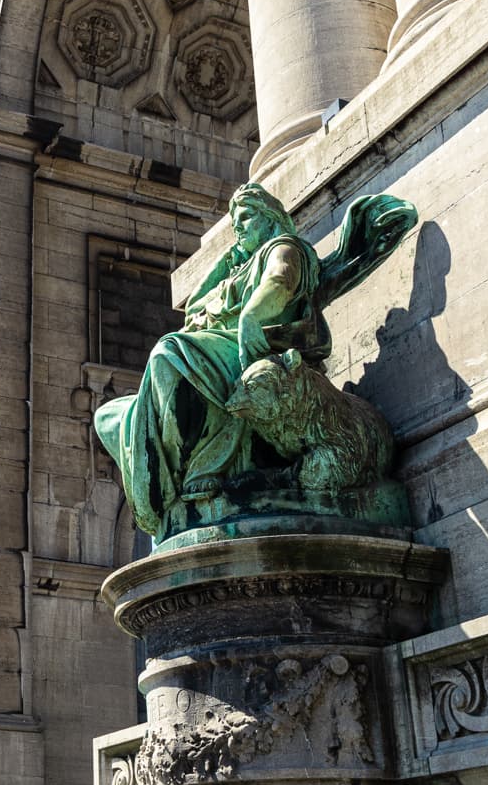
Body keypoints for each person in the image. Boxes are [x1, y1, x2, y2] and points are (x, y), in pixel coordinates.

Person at [94, 183, 416, 541]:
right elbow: (196, 303)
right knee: (108, 417)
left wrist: (251, 316)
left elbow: (279, 282)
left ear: (271, 218)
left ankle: (196, 473)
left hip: (256, 349)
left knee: (167, 353)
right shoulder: (240, 264)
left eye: (247, 217)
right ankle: (169, 487)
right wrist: (229, 257)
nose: (239, 227)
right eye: (235, 222)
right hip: (219, 347)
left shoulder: (284, 249)